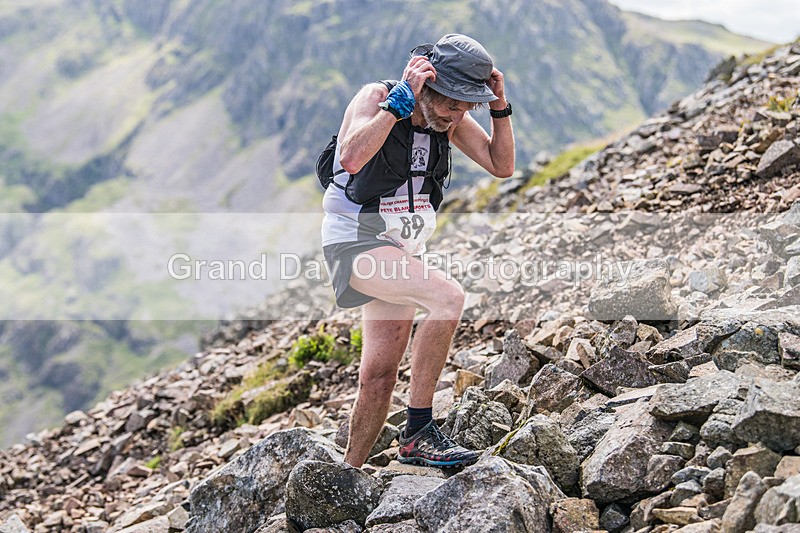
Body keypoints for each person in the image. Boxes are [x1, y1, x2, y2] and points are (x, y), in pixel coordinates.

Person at [321, 34, 514, 469]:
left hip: (403, 247)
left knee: (378, 376)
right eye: (452, 103)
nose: (457, 114)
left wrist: (499, 106)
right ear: (426, 83)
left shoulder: (451, 117)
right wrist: (398, 104)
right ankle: (420, 431)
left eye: (468, 105)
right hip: (357, 240)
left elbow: (502, 166)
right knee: (447, 297)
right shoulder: (378, 97)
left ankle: (349, 472)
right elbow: (351, 158)